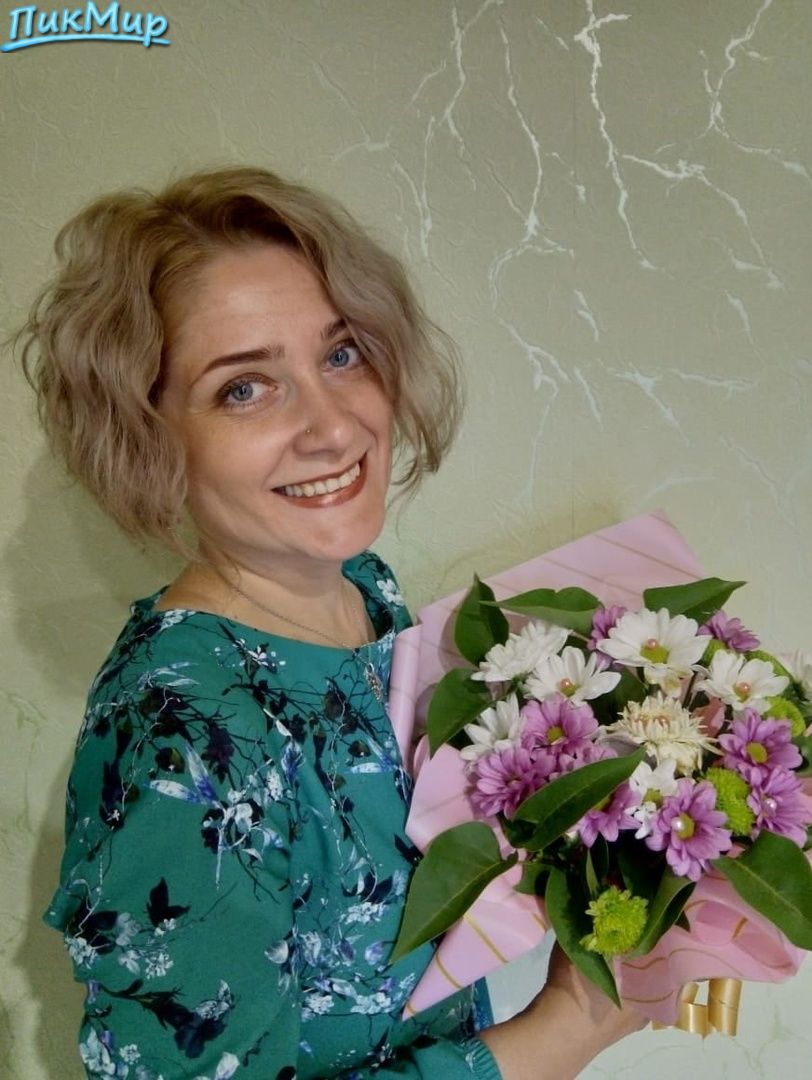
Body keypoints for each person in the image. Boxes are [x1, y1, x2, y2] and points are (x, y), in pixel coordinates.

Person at [19, 166, 643, 1079]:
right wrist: (567, 1029)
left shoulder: (363, 593)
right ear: (147, 436)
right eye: (244, 388)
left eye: (342, 354)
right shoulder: (183, 738)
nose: (333, 427)